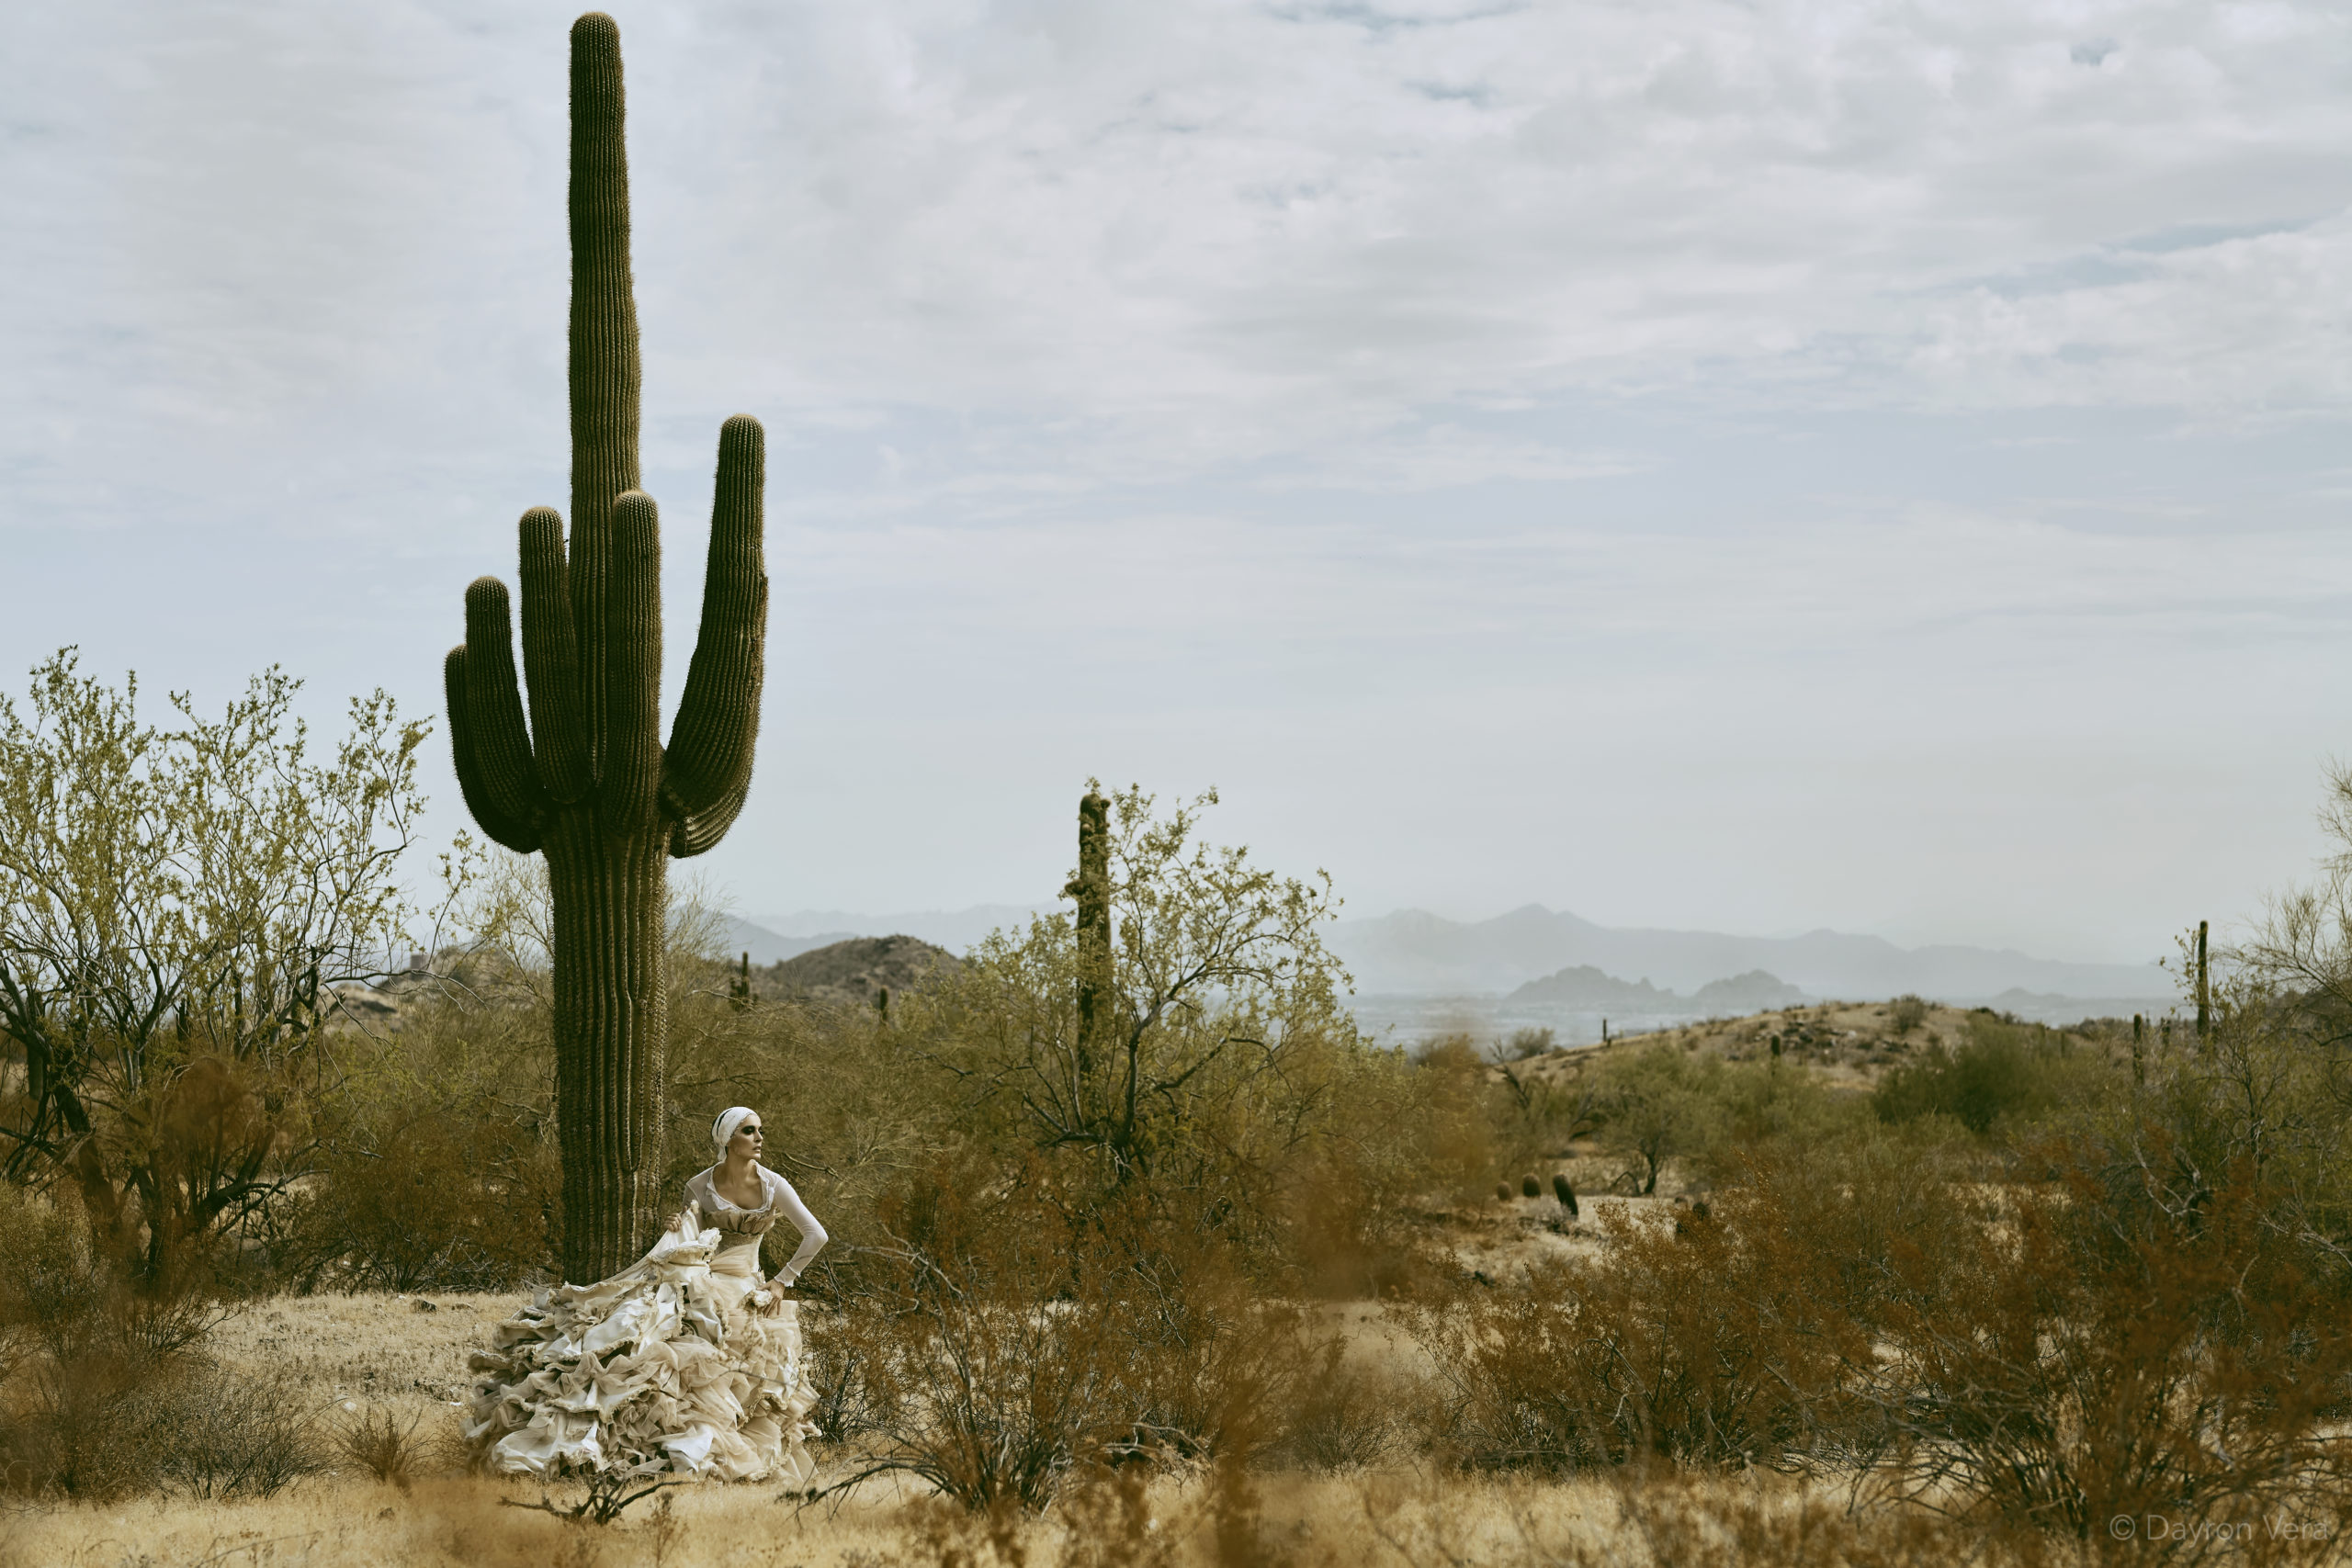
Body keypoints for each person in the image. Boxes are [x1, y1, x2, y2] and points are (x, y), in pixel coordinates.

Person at [463, 1106, 829, 1484]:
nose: (759, 1138)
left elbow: (816, 1234)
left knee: (727, 1341)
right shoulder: (701, 1184)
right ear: (729, 1141)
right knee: (651, 1323)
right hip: (704, 1274)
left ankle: (722, 1439)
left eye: (759, 1130)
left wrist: (782, 1281)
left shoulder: (772, 1185)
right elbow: (693, 1239)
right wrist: (678, 1224)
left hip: (744, 1279)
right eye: (750, 1131)